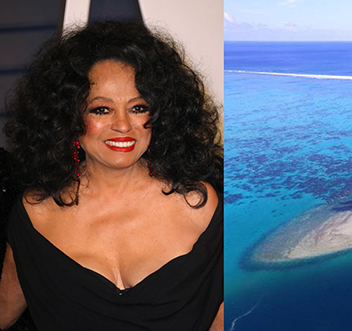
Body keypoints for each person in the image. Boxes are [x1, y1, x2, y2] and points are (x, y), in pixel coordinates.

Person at [0, 21, 223, 330]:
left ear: (160, 115)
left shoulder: (199, 206)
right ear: (67, 116)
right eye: (101, 110)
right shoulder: (35, 216)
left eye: (138, 107)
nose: (123, 125)